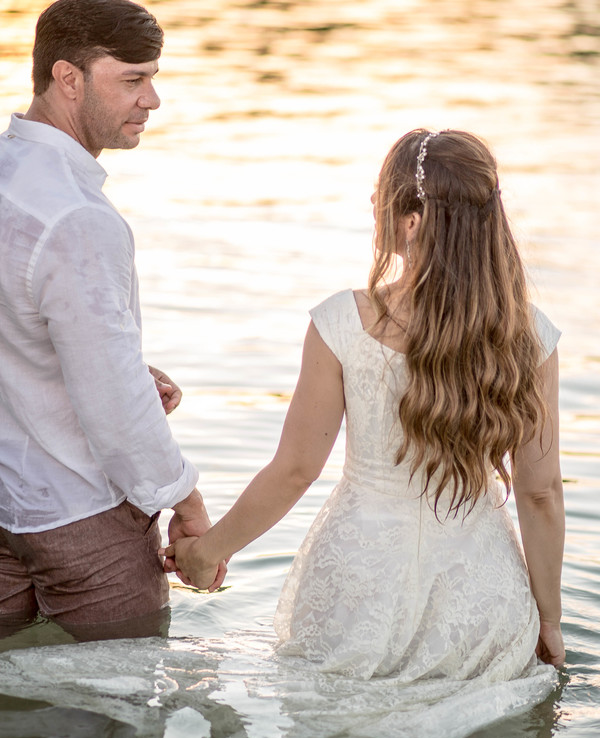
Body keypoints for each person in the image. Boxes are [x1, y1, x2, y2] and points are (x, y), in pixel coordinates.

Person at [166, 128, 566, 683]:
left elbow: (296, 469)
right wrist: (550, 621)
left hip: (359, 586)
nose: (372, 204)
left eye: (381, 194)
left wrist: (207, 553)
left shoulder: (342, 323)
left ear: (409, 222)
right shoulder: (531, 337)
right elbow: (540, 491)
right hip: (481, 599)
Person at [0, 0, 213, 644]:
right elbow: (113, 404)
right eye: (134, 80)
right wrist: (185, 500)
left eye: (153, 78)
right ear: (69, 78)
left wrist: (128, 371)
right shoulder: (78, 217)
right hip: (77, 516)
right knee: (120, 720)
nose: (153, 100)